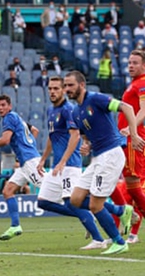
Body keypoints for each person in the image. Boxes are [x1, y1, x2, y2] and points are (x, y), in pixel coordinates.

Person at [36, 76, 124, 250]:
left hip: (69, 165)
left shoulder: (70, 109)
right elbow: (52, 137)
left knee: (75, 202)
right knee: (43, 201)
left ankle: (100, 238)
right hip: (58, 166)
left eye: (57, 88)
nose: (53, 92)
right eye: (50, 89)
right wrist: (43, 159)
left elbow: (75, 135)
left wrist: (63, 161)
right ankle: (116, 211)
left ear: (63, 90)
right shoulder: (51, 111)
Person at [65, 70, 145, 255]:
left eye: (71, 85)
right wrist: (86, 145)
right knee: (75, 199)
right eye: (66, 86)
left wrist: (133, 134)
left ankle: (119, 241)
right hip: (98, 157)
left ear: (82, 85)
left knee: (95, 204)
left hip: (111, 155)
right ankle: (121, 210)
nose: (67, 89)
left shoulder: (96, 98)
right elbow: (87, 135)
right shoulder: (76, 111)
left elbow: (127, 108)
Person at [0, 95, 42, 240]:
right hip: (25, 162)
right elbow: (35, 131)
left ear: (9, 106)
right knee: (7, 190)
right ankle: (15, 226)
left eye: (3, 105)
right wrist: (28, 145)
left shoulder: (9, 118)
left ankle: (86, 213)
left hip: (30, 162)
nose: (0, 108)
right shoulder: (17, 117)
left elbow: (5, 140)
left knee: (53, 193)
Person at [116, 50, 145, 241]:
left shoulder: (142, 83)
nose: (131, 66)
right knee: (132, 187)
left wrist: (131, 129)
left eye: (135, 62)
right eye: (129, 63)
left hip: (133, 140)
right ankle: (130, 231)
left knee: (135, 187)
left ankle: (128, 229)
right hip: (125, 140)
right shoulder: (134, 84)